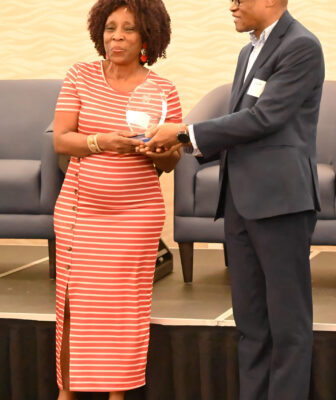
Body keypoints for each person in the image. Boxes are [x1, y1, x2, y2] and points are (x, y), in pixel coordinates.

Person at [143, 0, 325, 399]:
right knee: (251, 326)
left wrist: (185, 134)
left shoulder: (301, 45)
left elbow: (264, 118)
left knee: (288, 326)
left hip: (281, 202)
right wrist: (185, 143)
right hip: (240, 201)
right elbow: (242, 126)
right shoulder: (248, 51)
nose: (232, 6)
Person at [52, 0, 182, 399]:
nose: (117, 37)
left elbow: (172, 160)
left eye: (128, 29)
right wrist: (103, 142)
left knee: (123, 309)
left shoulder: (163, 90)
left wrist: (158, 150)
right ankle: (67, 393)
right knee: (74, 306)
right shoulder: (80, 76)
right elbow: (61, 140)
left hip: (136, 216)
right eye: (111, 28)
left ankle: (117, 395)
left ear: (147, 37)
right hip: (81, 213)